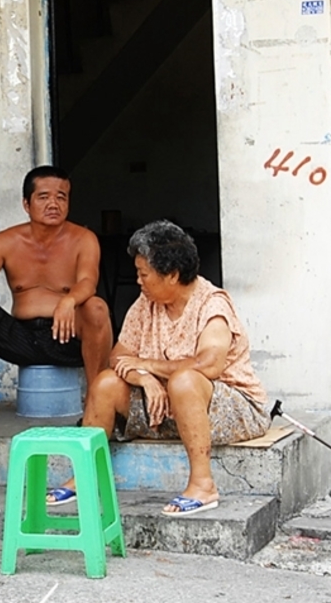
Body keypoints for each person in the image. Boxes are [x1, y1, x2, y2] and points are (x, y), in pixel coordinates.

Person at [47, 219, 270, 516]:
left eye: (144, 274)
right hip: (163, 407)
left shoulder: (212, 304)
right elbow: (119, 356)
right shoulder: (146, 303)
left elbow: (210, 364)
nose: (138, 281)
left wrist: (149, 365)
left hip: (230, 409)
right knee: (105, 383)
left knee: (185, 380)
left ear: (173, 275)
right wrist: (144, 378)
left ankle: (203, 485)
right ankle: (84, 477)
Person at [0, 165, 113, 427]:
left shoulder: (83, 239)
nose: (53, 204)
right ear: (26, 203)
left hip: (66, 338)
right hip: (21, 339)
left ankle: (95, 401)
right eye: (43, 197)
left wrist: (68, 300)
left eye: (61, 197)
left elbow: (88, 282)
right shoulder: (7, 241)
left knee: (96, 308)